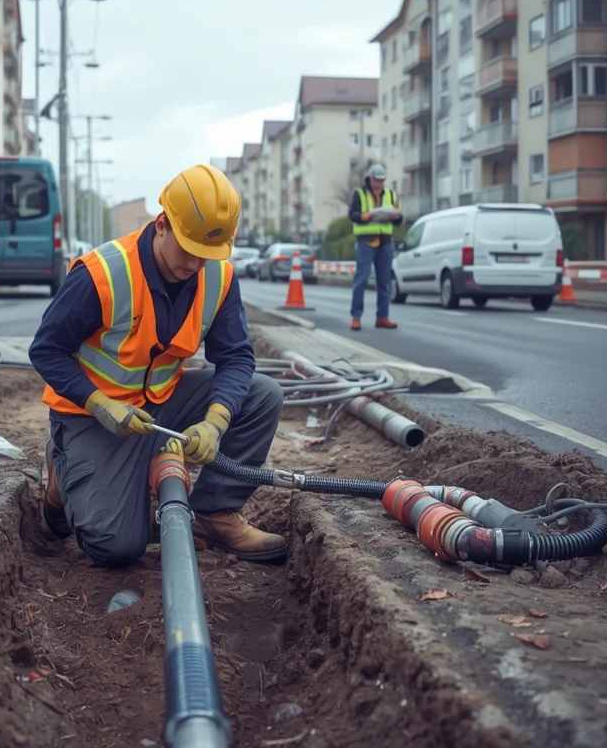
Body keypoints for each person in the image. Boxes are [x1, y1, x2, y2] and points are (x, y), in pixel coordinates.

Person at [28, 163, 287, 568]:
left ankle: (213, 513)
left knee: (262, 395)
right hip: (91, 414)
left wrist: (215, 421)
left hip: (160, 406)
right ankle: (62, 470)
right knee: (115, 547)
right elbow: (46, 350)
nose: (196, 265)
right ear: (162, 224)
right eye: (189, 251)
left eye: (208, 254)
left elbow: (236, 357)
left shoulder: (217, 276)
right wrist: (99, 404)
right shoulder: (104, 273)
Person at [347, 163, 403, 331]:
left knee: (384, 281)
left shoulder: (391, 196)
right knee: (361, 280)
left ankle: (382, 317)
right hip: (366, 240)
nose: (379, 184)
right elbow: (352, 215)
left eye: (382, 180)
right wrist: (364, 216)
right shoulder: (360, 194)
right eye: (376, 180)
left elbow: (399, 219)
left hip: (385, 241)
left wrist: (396, 216)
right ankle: (356, 317)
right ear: (370, 179)